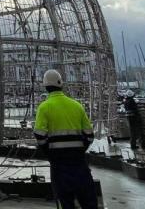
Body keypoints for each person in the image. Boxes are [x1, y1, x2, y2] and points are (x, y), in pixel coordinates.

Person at [34, 69, 98, 209]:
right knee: (88, 200)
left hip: (59, 162)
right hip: (79, 161)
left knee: (65, 201)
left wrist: (49, 151)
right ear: (61, 84)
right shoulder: (77, 106)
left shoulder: (44, 107)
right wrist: (80, 148)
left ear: (45, 86)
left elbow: (39, 135)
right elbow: (89, 135)